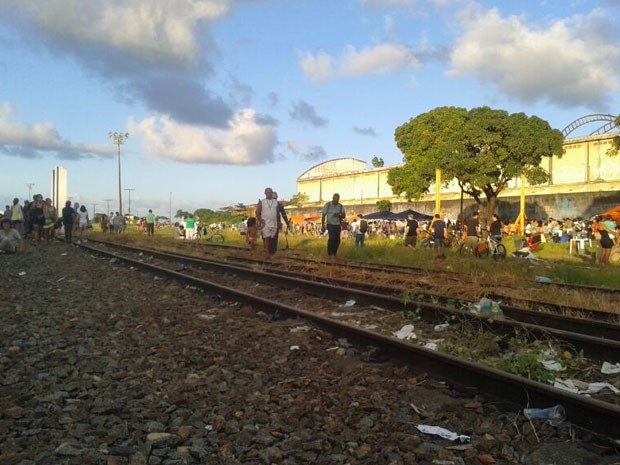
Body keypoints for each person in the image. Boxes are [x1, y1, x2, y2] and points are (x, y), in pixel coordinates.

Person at [256, 187, 279, 257]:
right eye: (268, 192)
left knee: (272, 238)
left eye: (271, 192)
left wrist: (279, 221)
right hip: (265, 224)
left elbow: (277, 213)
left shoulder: (276, 202)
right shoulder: (262, 202)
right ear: (265, 193)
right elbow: (257, 212)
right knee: (266, 238)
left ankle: (270, 252)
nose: (270, 193)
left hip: (274, 223)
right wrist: (260, 220)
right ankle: (267, 253)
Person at [321, 193, 346, 257]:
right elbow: (323, 215)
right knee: (332, 238)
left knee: (337, 240)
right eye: (335, 198)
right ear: (332, 198)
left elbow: (344, 215)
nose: (336, 200)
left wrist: (339, 215)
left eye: (337, 199)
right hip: (330, 224)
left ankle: (334, 253)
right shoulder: (328, 205)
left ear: (338, 199)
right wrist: (323, 226)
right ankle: (330, 253)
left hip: (337, 225)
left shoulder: (340, 206)